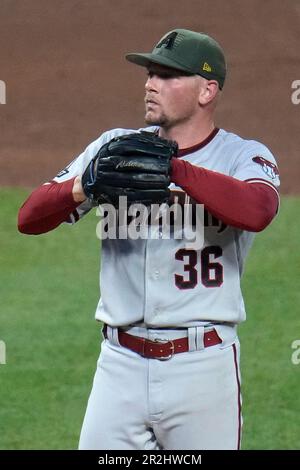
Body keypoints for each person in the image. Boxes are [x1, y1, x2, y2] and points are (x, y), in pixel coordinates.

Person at [18, 28, 280, 450]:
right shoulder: (113, 148)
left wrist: (174, 169)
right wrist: (85, 184)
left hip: (202, 368)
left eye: (167, 75)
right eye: (150, 73)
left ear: (207, 90)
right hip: (119, 366)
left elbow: (257, 210)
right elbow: (29, 218)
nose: (150, 84)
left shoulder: (242, 155)